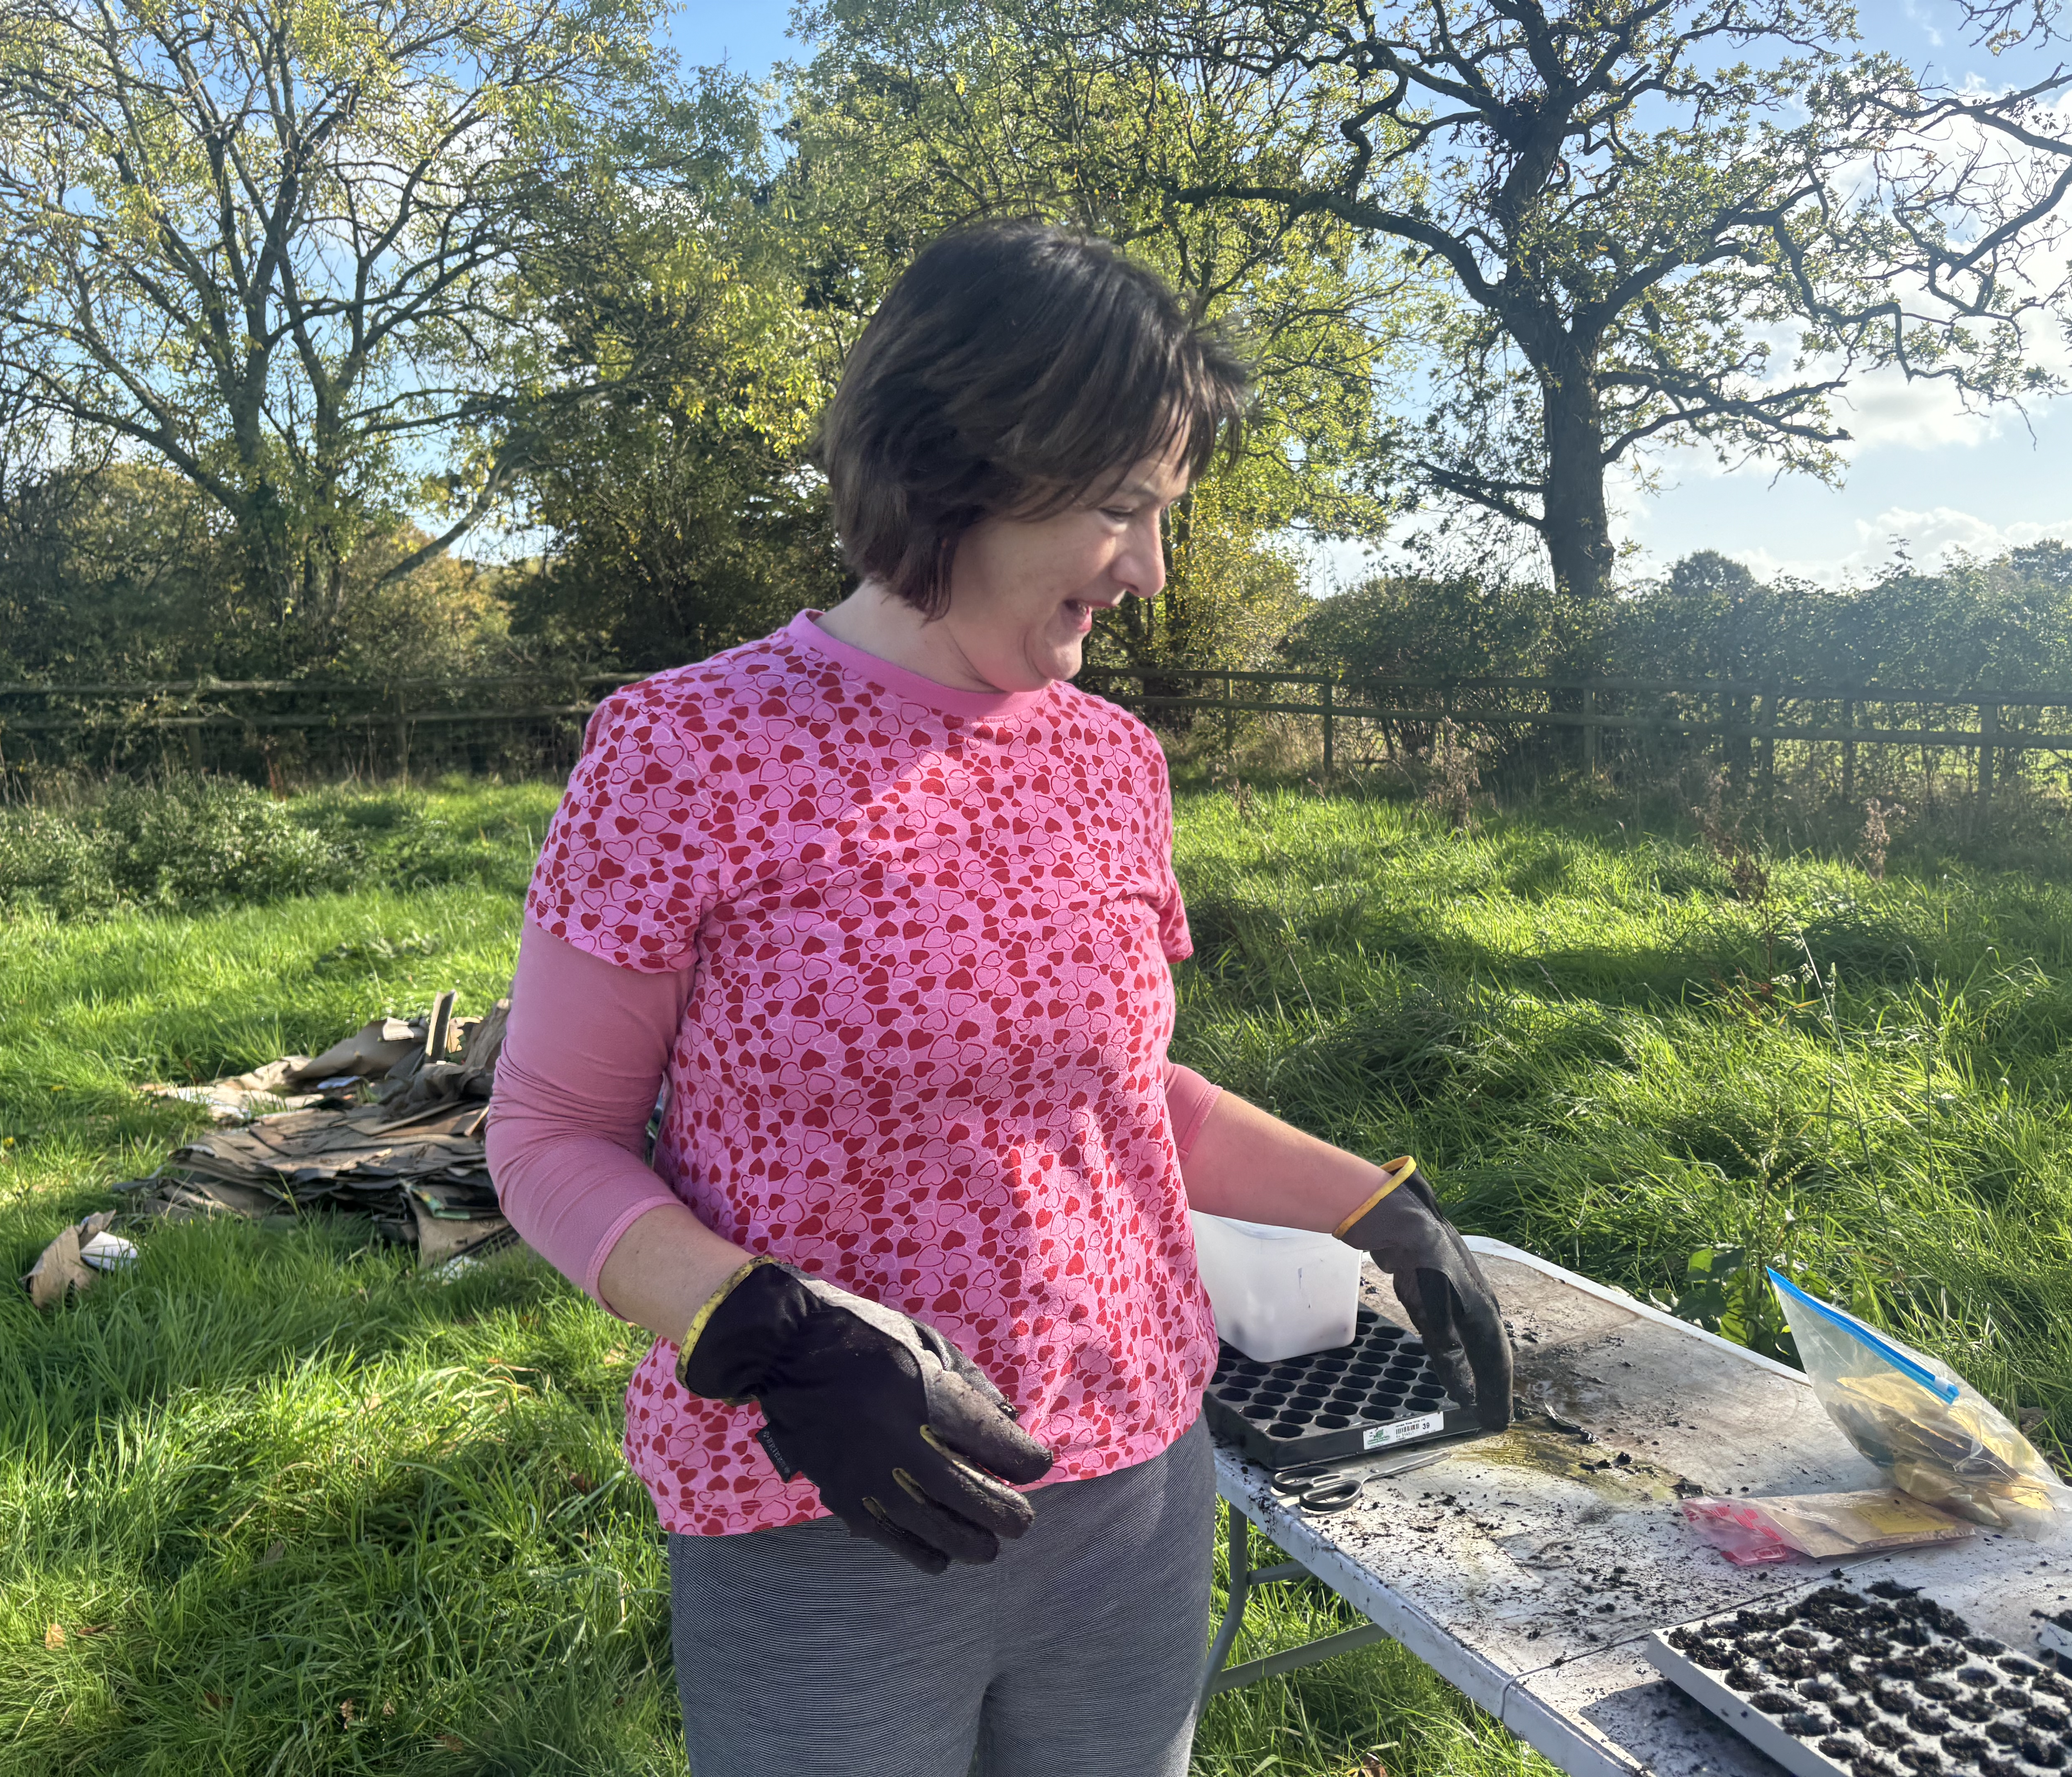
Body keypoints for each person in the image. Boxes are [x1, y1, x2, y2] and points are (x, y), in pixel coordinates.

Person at [486, 219, 1514, 1777]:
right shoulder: (684, 751)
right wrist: (754, 1324)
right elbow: (548, 1131)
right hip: (827, 1508)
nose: (1154, 572)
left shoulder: (1113, 761)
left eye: (1163, 514)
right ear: (959, 462)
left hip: (1144, 1480)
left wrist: (1374, 1205)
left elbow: (1117, 1090)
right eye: (1121, 509)